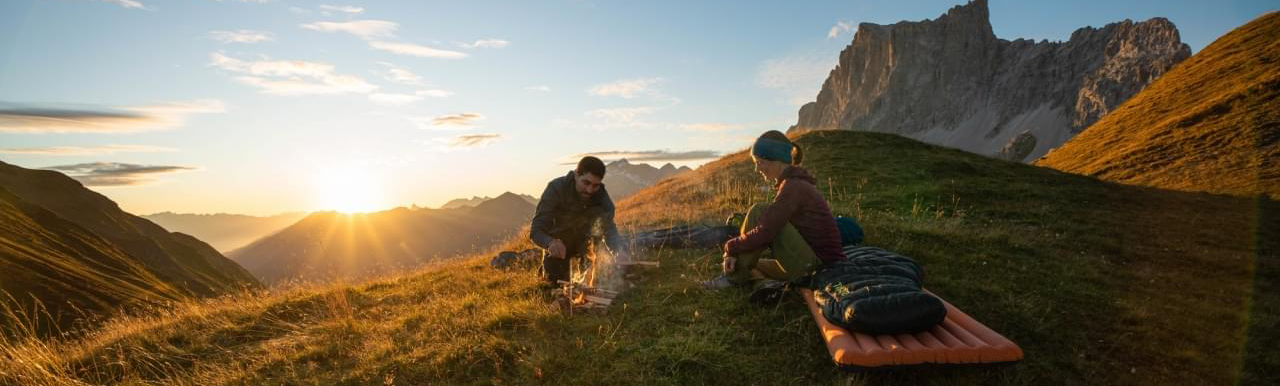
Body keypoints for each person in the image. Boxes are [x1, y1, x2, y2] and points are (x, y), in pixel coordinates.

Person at [704, 130, 846, 290]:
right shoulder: (793, 183)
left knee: (760, 211)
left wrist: (730, 247)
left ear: (776, 160)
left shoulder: (793, 186)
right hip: (812, 261)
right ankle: (741, 275)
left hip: (819, 268)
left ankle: (733, 279)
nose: (757, 169)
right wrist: (735, 253)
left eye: (759, 162)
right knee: (754, 265)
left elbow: (766, 231)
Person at [530, 156, 628, 286]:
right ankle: (548, 271)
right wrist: (550, 243)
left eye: (595, 185)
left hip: (588, 244)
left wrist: (618, 250)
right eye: (586, 183)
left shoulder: (602, 198)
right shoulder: (556, 189)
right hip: (560, 244)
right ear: (576, 174)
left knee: (596, 281)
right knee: (554, 284)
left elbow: (609, 228)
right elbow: (536, 231)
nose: (590, 190)